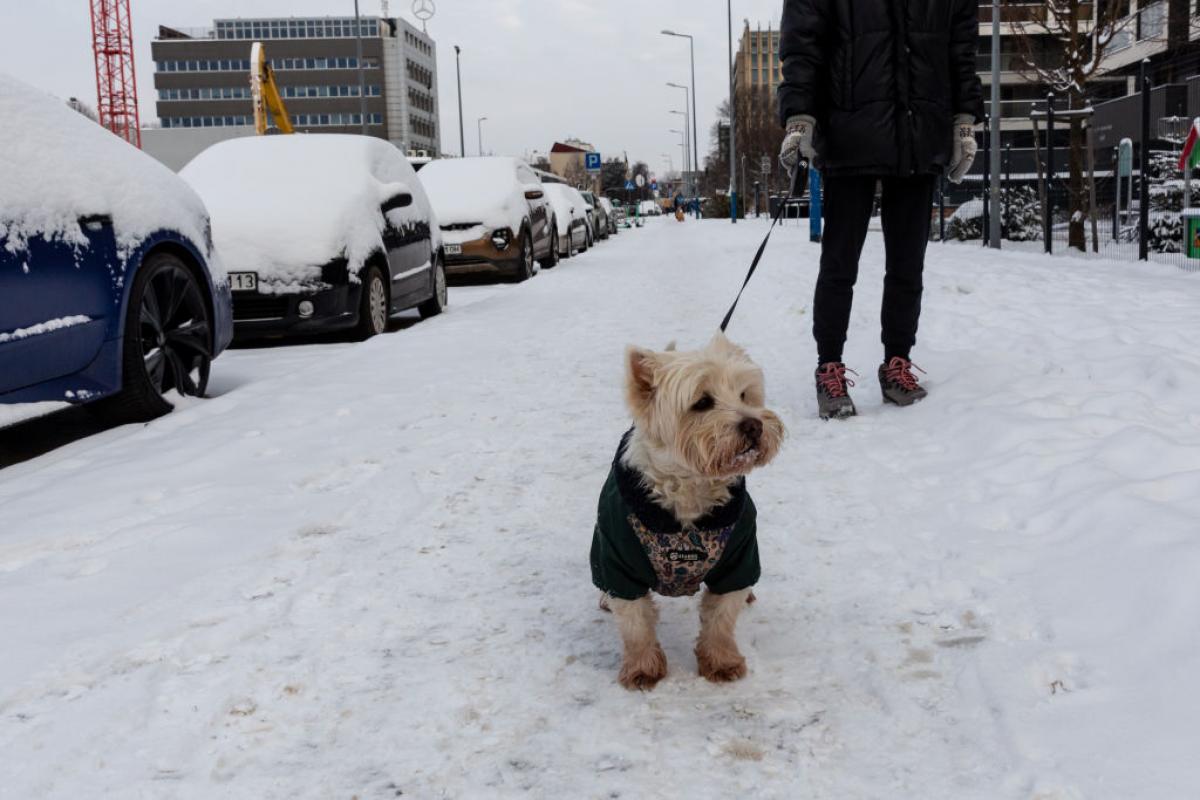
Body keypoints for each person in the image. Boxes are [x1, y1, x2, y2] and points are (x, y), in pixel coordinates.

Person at [777, 0, 983, 420]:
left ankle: (897, 365)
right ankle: (829, 368)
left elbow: (960, 46)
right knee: (839, 263)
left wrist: (964, 120)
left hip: (918, 131)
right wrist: (799, 118)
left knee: (908, 264)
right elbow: (803, 43)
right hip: (848, 130)